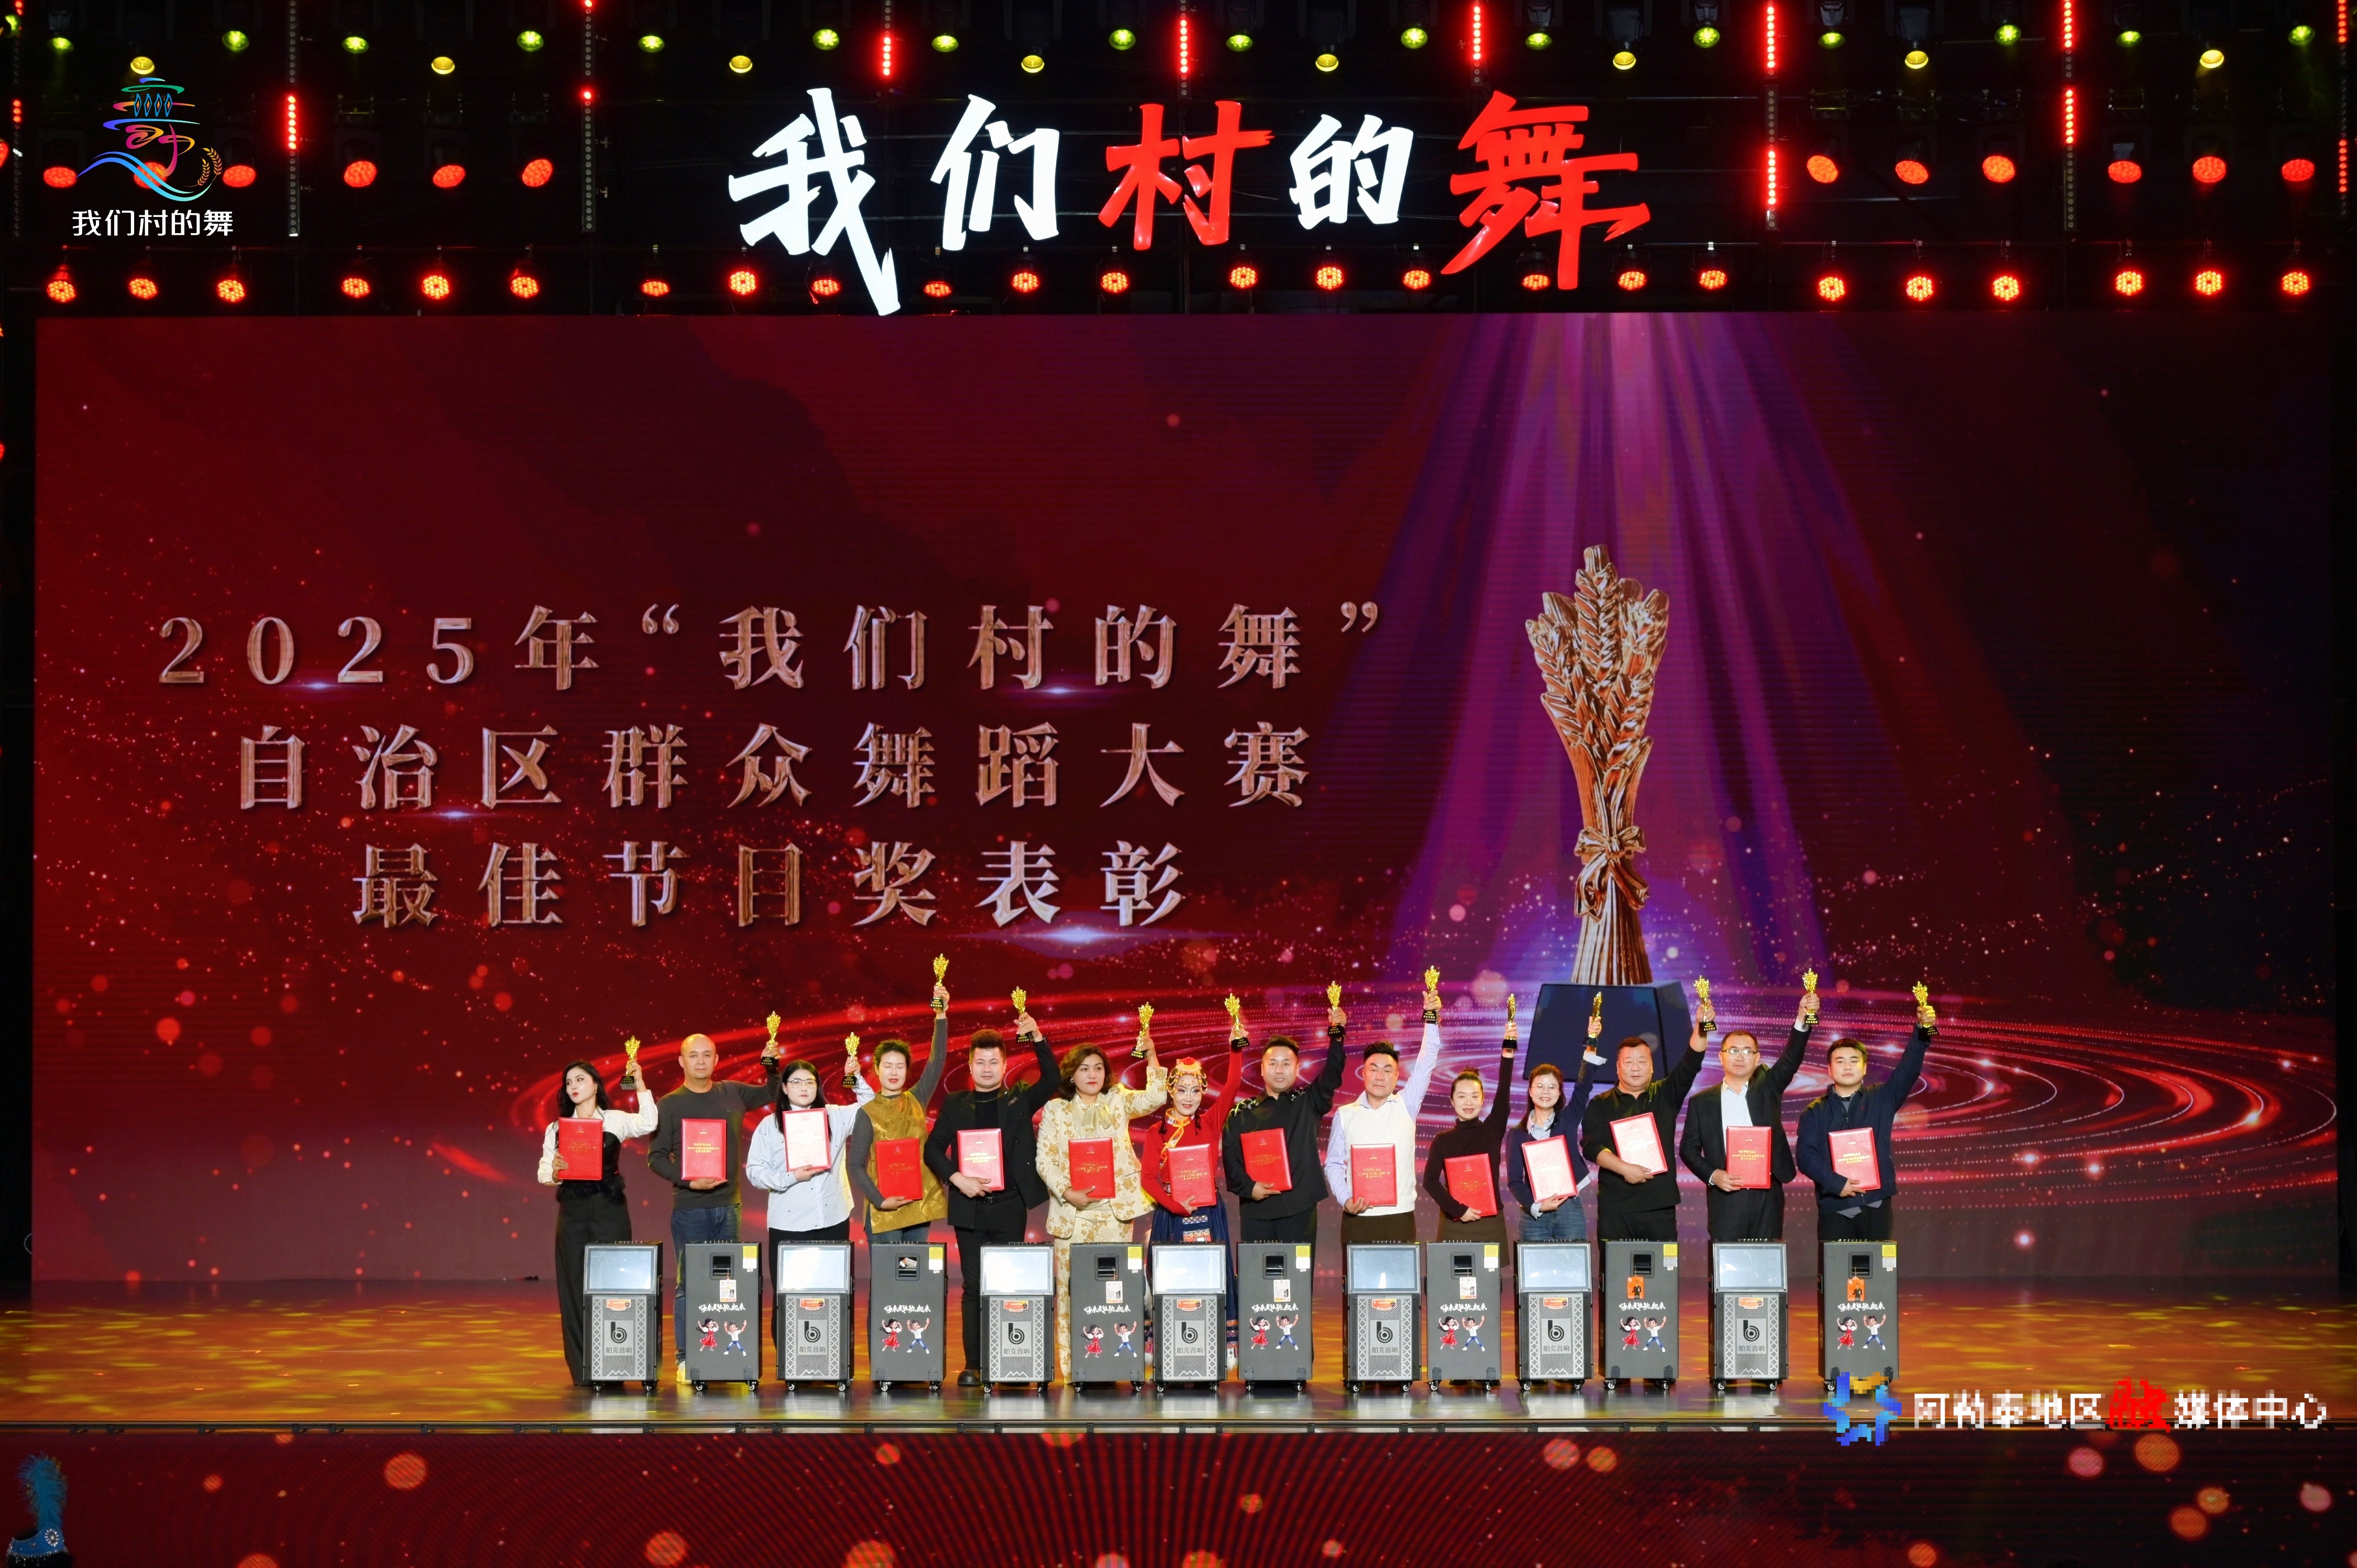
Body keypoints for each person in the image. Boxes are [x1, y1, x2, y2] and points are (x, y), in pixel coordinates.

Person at [922, 1008, 1062, 1387]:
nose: (986, 1068)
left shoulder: (1019, 1099)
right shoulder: (955, 1103)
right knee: (973, 1286)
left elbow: (1052, 1079)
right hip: (968, 1206)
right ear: (970, 1066)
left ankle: (1010, 1362)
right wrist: (957, 1178)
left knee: (1008, 1286)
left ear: (1005, 1065)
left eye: (993, 1062)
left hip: (1009, 1206)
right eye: (980, 1062)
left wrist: (1037, 1037)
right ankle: (975, 1364)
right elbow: (932, 1149)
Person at [1035, 1029, 1168, 1381]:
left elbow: (1156, 1096)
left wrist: (1151, 1054)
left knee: (1114, 1291)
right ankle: (1073, 1369)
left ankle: (1112, 1365)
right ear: (1071, 1074)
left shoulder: (1118, 1099)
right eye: (1084, 1068)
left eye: (1098, 1068)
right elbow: (1044, 1161)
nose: (1092, 1074)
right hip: (1072, 1215)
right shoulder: (1055, 1109)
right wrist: (1068, 1192)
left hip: (1114, 1213)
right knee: (1071, 1292)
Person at [645, 1030, 782, 1366]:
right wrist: (688, 1181)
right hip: (690, 1209)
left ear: (717, 1060)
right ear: (682, 1062)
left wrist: (772, 1065)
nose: (701, 1061)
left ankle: (722, 1355)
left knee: (727, 1285)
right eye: (693, 1055)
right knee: (689, 1284)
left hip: (729, 1207)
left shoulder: (732, 1092)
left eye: (707, 1055)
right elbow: (656, 1158)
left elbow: (773, 1093)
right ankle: (685, 1357)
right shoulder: (670, 1104)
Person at [537, 1052, 660, 1386]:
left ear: (595, 1085)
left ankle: (616, 1364)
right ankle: (584, 1370)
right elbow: (544, 1173)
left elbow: (649, 1123)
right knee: (574, 1286)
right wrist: (556, 1171)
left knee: (615, 1285)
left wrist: (640, 1083)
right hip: (573, 1212)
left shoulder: (615, 1121)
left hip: (609, 1208)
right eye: (569, 1083)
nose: (573, 1087)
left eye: (580, 1080)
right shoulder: (556, 1128)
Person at [1135, 1011, 1244, 1360]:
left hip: (1209, 1212)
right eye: (1181, 1090)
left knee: (1210, 1278)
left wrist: (1235, 1048)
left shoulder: (1210, 1122)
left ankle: (1215, 1347)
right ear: (1171, 1091)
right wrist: (1173, 1205)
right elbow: (1147, 1178)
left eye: (1195, 1090)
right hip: (1171, 1213)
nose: (1188, 1097)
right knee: (1172, 1280)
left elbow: (1232, 1085)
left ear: (1203, 1092)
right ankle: (1168, 1348)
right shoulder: (1157, 1132)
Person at [1678, 984, 1818, 1242]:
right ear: (1721, 1057)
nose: (1740, 1057)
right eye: (1733, 1051)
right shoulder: (1702, 1102)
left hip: (1767, 1191)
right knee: (1727, 1260)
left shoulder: (1769, 1086)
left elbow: (1791, 1059)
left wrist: (1802, 1019)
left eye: (1747, 1052)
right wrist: (1714, 1175)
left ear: (1757, 1058)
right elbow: (1688, 1148)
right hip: (1726, 1193)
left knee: (1767, 1259)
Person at [1795, 989, 1937, 1242]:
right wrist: (1836, 1184)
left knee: (1877, 1268)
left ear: (1864, 1067)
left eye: (1854, 1060)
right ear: (1829, 1069)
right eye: (1840, 1061)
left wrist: (1922, 1030)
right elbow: (1806, 1157)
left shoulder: (1882, 1097)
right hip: (1835, 1207)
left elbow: (1908, 1070)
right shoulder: (1814, 1111)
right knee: (1836, 1268)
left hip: (1876, 1205)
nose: (1847, 1066)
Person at [1323, 980, 1448, 1249]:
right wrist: (1346, 1200)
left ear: (1397, 1075)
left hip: (1399, 1218)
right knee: (1356, 1280)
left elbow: (1427, 1061)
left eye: (1387, 1070)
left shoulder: (1406, 1104)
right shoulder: (1345, 1115)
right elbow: (1333, 1164)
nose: (1380, 1076)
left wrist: (1431, 1019)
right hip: (1357, 1218)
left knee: (1401, 1279)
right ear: (1363, 1073)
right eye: (1374, 1069)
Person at [1221, 997, 1350, 1258]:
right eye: (1273, 1064)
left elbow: (1332, 1074)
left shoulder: (1309, 1102)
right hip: (1256, 1210)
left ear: (1297, 1068)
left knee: (1298, 1276)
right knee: (1257, 1276)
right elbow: (1231, 1159)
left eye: (1287, 1064)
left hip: (1300, 1209)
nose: (1279, 1070)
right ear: (1262, 1069)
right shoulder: (1241, 1112)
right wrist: (1250, 1188)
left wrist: (1337, 1037)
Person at [1579, 1006, 1709, 1242]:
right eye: (1628, 1062)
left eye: (1642, 1061)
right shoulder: (1600, 1104)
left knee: (1661, 1266)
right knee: (1616, 1266)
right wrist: (1624, 1169)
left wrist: (1702, 1025)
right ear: (1617, 1067)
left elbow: (1692, 1061)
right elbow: (1591, 1146)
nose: (1635, 1067)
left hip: (1659, 1206)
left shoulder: (1666, 1094)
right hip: (1616, 1208)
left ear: (1652, 1066)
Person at [843, 977, 952, 1246]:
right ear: (877, 1069)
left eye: (900, 1066)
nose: (894, 1072)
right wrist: (880, 1201)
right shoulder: (867, 1112)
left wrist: (941, 1015)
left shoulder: (917, 1098)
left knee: (913, 1272)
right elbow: (855, 1165)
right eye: (888, 1066)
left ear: (907, 1070)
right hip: (884, 1210)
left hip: (919, 1207)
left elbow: (937, 1061)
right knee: (887, 1274)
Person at [745, 1036, 877, 1253]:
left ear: (817, 1086)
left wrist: (857, 1080)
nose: (803, 1087)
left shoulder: (835, 1116)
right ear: (784, 1088)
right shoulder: (770, 1125)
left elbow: (873, 1109)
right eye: (796, 1082)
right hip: (789, 1223)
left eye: (810, 1082)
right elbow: (755, 1172)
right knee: (790, 1277)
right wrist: (792, 1177)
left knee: (833, 1276)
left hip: (833, 1218)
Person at [1503, 1013, 1608, 1245]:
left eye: (1552, 1087)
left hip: (1569, 1207)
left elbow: (1583, 1087)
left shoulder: (1567, 1119)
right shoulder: (1517, 1134)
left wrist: (1592, 1042)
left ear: (1560, 1093)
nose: (1546, 1091)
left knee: (1572, 1264)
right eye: (1540, 1086)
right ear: (1530, 1091)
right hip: (1534, 1212)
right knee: (1533, 1266)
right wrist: (1536, 1206)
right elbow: (1515, 1181)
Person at [1420, 1010, 1520, 1244]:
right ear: (1452, 1101)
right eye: (1462, 1097)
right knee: (1451, 1269)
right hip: (1454, 1221)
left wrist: (1508, 1053)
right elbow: (1430, 1181)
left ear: (1483, 1100)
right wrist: (1458, 1210)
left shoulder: (1492, 1130)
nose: (1468, 1103)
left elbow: (1504, 1092)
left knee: (1492, 1270)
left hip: (1490, 1222)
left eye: (1475, 1096)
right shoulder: (1442, 1140)